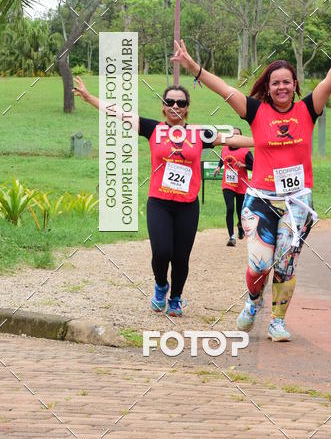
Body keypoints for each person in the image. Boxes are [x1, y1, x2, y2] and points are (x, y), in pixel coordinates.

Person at [171, 19, 331, 341]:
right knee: (260, 264)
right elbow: (223, 89)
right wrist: (193, 66)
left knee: (286, 264)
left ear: (295, 84)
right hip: (261, 198)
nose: (281, 87)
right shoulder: (256, 111)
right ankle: (252, 301)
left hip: (298, 201)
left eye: (287, 82)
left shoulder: (308, 109)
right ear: (268, 86)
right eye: (275, 83)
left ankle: (277, 321)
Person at [73, 76, 252, 317]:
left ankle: (175, 298)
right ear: (163, 106)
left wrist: (265, 142)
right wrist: (89, 98)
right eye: (170, 102)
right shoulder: (153, 129)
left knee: (181, 257)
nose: (175, 106)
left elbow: (231, 139)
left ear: (187, 108)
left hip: (187, 206)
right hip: (159, 203)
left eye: (181, 103)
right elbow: (119, 113)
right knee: (161, 252)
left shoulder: (198, 134)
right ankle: (160, 286)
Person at [214, 129, 254, 246]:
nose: (235, 136)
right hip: (228, 184)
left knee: (240, 211)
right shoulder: (224, 148)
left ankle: (240, 226)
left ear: (241, 137)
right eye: (233, 134)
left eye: (237, 134)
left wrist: (244, 165)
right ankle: (231, 237)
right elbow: (222, 159)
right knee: (230, 208)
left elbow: (255, 166)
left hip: (241, 185)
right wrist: (218, 167)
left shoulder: (246, 151)